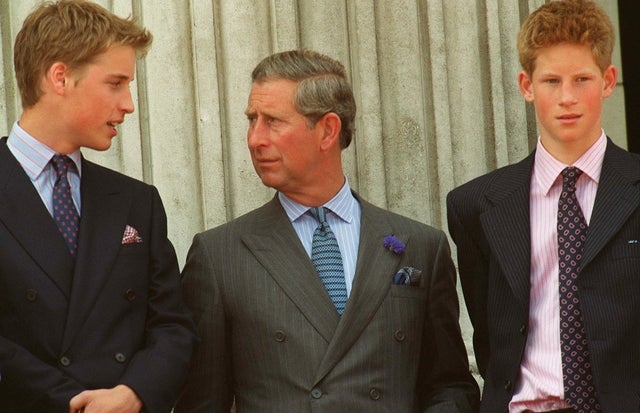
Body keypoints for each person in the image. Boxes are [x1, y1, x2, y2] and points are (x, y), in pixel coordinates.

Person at [174, 49, 480, 412]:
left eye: (272, 121)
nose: (255, 138)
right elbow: (201, 404)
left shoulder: (421, 246)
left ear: (328, 130)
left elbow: (451, 387)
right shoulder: (220, 254)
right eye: (252, 120)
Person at [0, 1, 196, 412]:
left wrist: (133, 394)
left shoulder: (137, 201)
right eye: (115, 83)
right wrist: (71, 402)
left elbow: (172, 325)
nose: (128, 104)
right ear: (61, 77)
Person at [446, 0, 639, 412]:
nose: (567, 97)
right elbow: (489, 331)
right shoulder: (476, 206)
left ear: (608, 80)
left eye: (582, 79)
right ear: (526, 86)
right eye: (551, 80)